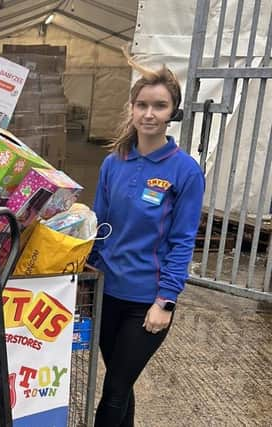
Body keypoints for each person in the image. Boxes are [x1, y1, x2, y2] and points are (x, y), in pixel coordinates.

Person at [88, 55, 205, 426]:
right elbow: (98, 225)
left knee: (114, 390)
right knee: (123, 385)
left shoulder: (185, 171)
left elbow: (183, 241)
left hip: (146, 302)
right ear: (132, 108)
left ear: (173, 112)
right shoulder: (114, 162)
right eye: (142, 105)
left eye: (160, 106)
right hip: (108, 292)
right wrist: (84, 277)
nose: (149, 113)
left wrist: (166, 301)